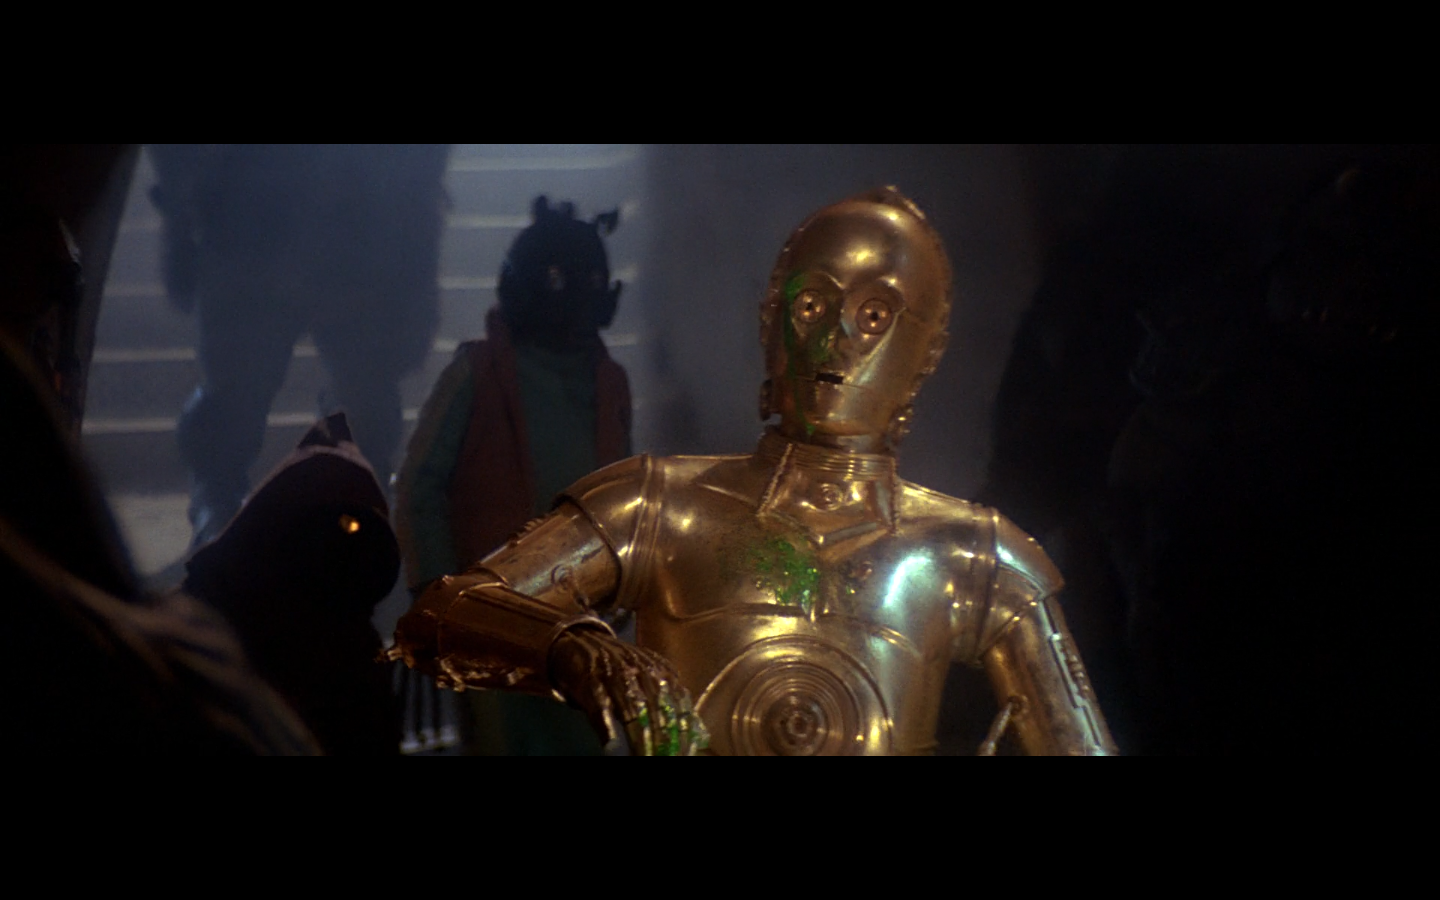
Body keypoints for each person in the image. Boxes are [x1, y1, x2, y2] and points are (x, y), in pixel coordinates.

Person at [390, 188, 1115, 755]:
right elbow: (441, 618)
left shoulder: (978, 558)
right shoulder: (660, 505)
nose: (835, 339)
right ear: (771, 322)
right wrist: (568, 647)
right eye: (812, 304)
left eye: (874, 316)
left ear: (925, 353)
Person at [394, 196, 630, 754]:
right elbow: (421, 487)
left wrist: (620, 592)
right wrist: (439, 596)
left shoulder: (608, 383)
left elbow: (621, 500)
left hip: (577, 623)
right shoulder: (477, 374)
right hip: (488, 623)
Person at [148, 144, 450, 546]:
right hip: (257, 218)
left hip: (346, 223)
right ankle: (219, 515)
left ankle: (351, 511)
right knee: (234, 401)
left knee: (365, 404)